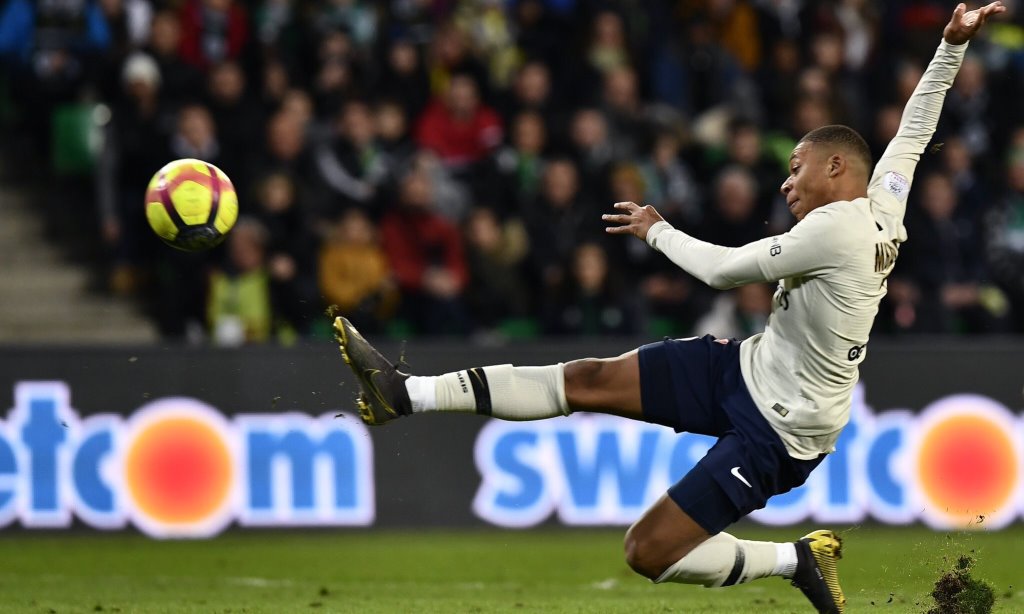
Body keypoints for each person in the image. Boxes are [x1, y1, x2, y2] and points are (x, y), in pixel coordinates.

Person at [331, 5, 1003, 613]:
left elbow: (721, 271)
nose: (785, 181)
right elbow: (916, 128)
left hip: (781, 431)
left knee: (647, 551)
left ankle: (795, 560)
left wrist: (657, 230)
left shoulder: (836, 230)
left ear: (835, 169)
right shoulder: (883, 203)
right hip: (746, 368)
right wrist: (951, 44)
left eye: (796, 167)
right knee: (589, 379)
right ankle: (405, 394)